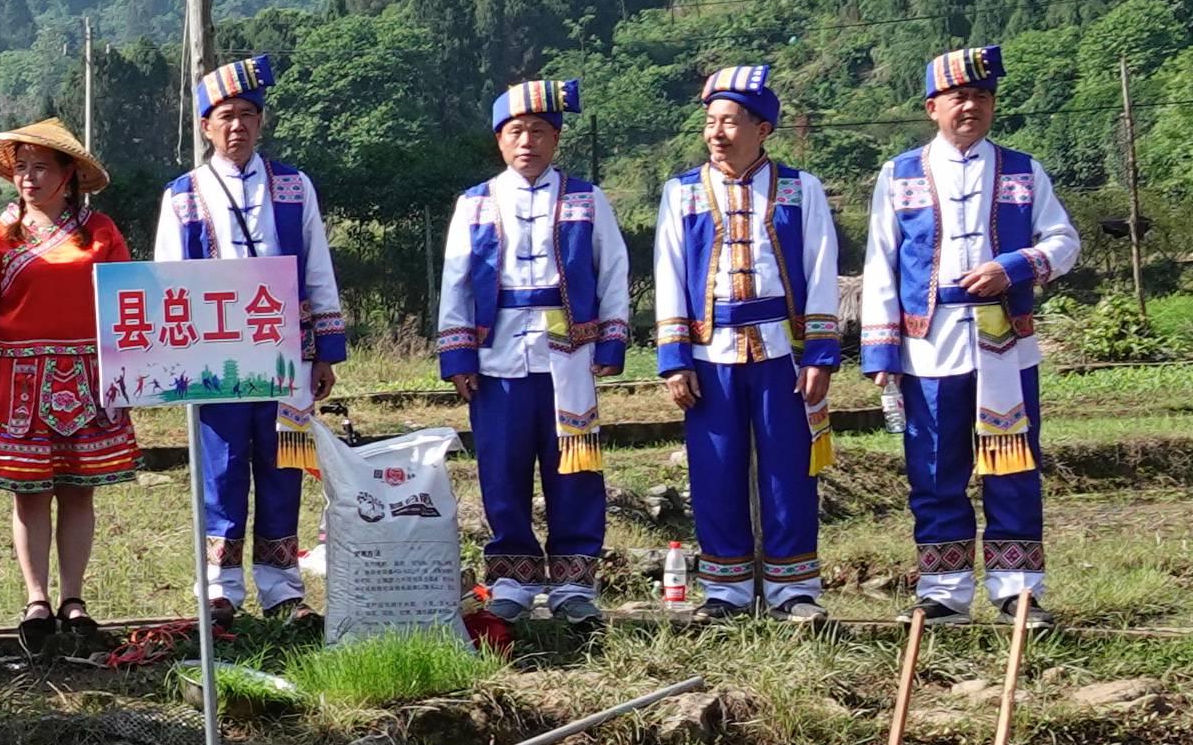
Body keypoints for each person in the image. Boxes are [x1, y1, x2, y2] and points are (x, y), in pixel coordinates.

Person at [859, 41, 1078, 620]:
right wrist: (880, 348)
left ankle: (1018, 588)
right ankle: (944, 591)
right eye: (958, 97)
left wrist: (1012, 267)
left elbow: (1064, 242)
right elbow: (882, 262)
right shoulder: (898, 175)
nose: (970, 107)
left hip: (1005, 339)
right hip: (927, 343)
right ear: (932, 106)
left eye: (981, 97)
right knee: (934, 466)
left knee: (1012, 462)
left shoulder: (1023, 171)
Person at [153, 60, 353, 622]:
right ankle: (220, 588)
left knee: (282, 461)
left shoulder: (293, 185)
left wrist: (327, 351)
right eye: (224, 117)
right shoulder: (183, 194)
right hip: (215, 355)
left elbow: (317, 264)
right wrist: (174, 365)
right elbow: (168, 279)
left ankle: (283, 588)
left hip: (286, 349)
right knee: (221, 465)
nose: (236, 126)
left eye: (246, 115)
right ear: (205, 127)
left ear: (262, 122)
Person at [650, 65, 847, 621]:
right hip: (711, 355)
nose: (717, 132)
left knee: (790, 467)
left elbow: (821, 267)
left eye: (730, 122)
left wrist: (820, 353)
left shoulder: (799, 189)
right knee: (714, 467)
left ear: (762, 130)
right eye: (710, 122)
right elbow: (668, 272)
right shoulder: (682, 193)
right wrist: (674, 358)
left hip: (782, 352)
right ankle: (727, 587)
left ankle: (793, 587)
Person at [437, 80, 634, 625]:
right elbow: (456, 282)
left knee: (574, 466)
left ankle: (574, 581)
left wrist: (611, 340)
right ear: (500, 140)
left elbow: (613, 270)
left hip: (568, 354)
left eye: (540, 132)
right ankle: (511, 578)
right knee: (501, 467)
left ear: (556, 139)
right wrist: (458, 357)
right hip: (498, 354)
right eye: (516, 132)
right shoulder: (474, 203)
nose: (528, 142)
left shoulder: (585, 198)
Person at [0, 118, 139, 653]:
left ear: (69, 173)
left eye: (41, 167)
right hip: (18, 378)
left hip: (90, 373)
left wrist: (129, 374)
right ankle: (36, 597)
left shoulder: (101, 231)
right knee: (29, 493)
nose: (29, 178)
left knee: (78, 490)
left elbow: (125, 302)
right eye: (21, 168)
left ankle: (74, 596)